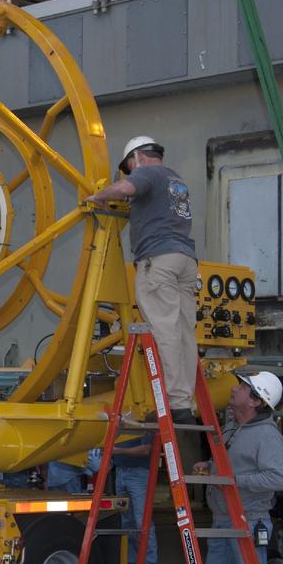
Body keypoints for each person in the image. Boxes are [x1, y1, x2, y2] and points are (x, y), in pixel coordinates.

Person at [85, 137, 201, 460]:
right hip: (185, 261)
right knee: (183, 333)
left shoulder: (149, 175)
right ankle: (185, 400)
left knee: (162, 331)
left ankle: (176, 405)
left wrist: (97, 196)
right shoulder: (176, 181)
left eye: (128, 168)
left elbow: (124, 191)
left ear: (137, 157)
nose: (128, 174)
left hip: (158, 261)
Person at [192, 370, 283, 564]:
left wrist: (233, 481)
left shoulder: (267, 435)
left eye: (243, 387)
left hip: (249, 522)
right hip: (222, 519)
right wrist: (208, 466)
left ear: (256, 401)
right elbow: (229, 462)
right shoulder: (232, 426)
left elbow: (276, 478)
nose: (234, 389)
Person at [113, 435, 160, 564]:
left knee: (142, 522)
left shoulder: (142, 419)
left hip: (138, 473)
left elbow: (146, 450)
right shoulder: (125, 421)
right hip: (121, 472)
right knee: (127, 523)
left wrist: (116, 450)